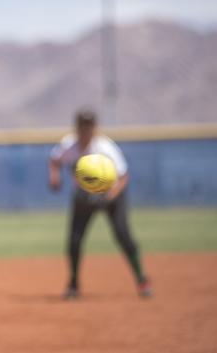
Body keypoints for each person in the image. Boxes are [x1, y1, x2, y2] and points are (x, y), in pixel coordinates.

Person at [48, 108, 152, 299]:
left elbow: (123, 176)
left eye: (89, 125)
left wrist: (109, 195)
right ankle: (73, 284)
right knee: (74, 241)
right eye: (82, 125)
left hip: (110, 197)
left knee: (123, 236)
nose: (86, 129)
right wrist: (54, 178)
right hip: (83, 198)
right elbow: (54, 160)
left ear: (95, 128)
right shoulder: (68, 146)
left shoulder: (105, 148)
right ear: (77, 127)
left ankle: (142, 279)